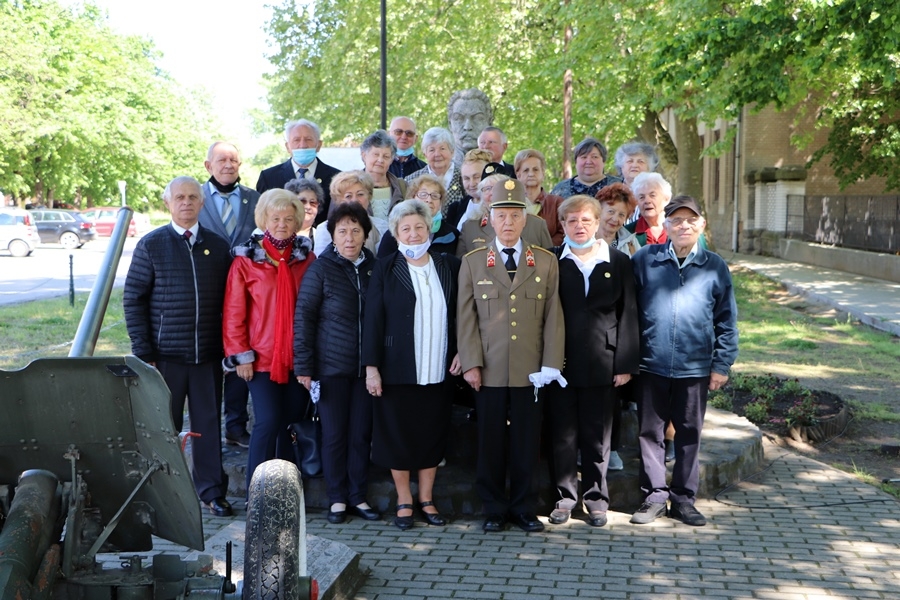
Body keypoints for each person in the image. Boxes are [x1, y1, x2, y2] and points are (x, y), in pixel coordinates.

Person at [457, 178, 565, 533]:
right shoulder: (473, 262)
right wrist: (471, 362)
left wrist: (550, 366)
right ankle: (492, 507)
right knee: (490, 440)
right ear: (490, 217)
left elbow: (553, 318)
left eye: (514, 215)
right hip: (487, 368)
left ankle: (523, 508)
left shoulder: (546, 262)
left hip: (529, 370)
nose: (507, 222)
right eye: (501, 214)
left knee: (526, 442)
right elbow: (466, 318)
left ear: (525, 220)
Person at [123, 176, 233, 516]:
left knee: (208, 426)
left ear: (202, 203)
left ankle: (212, 491)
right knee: (161, 427)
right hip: (164, 358)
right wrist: (144, 353)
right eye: (180, 197)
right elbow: (133, 299)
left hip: (207, 356)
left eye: (193, 197)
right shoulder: (151, 244)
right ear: (168, 203)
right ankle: (158, 495)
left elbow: (231, 303)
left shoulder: (218, 245)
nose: (186, 202)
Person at [630, 196, 738, 527]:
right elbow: (628, 312)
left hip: (695, 367)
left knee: (689, 433)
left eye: (691, 220)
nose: (683, 226)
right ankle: (655, 496)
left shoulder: (714, 266)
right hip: (651, 364)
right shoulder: (646, 260)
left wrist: (721, 364)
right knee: (651, 433)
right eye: (676, 220)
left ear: (701, 224)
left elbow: (726, 320)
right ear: (665, 225)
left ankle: (683, 499)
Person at [363, 199, 461, 530]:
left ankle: (427, 498)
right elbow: (373, 319)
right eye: (406, 228)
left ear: (430, 227)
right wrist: (371, 367)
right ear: (396, 233)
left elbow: (461, 313)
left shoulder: (449, 265)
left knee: (431, 433)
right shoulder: (386, 266)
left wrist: (462, 351)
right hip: (396, 368)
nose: (414, 233)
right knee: (398, 435)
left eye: (420, 226)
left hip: (439, 367)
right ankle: (404, 499)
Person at [546, 195, 639, 527]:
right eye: (571, 220)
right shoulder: (552, 261)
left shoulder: (618, 261)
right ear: (562, 225)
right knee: (563, 435)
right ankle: (564, 497)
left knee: (598, 436)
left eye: (586, 220)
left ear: (598, 223)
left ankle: (596, 498)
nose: (579, 226)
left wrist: (626, 364)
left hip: (605, 360)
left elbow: (629, 314)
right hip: (561, 363)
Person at [222, 189, 316, 491]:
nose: (282, 224)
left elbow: (315, 309)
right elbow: (234, 312)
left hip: (297, 357)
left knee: (289, 422)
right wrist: (241, 355)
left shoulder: (307, 258)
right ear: (264, 219)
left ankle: (285, 489)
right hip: (260, 359)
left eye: (289, 218)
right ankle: (256, 491)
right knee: (268, 420)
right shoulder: (245, 260)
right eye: (275, 218)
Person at [294, 202, 380, 524]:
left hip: (365, 371)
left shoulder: (373, 266)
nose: (349, 237)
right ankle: (337, 498)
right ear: (332, 234)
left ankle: (358, 496)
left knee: (360, 435)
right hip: (330, 368)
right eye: (342, 230)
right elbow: (304, 317)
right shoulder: (321, 268)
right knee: (334, 435)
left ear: (365, 234)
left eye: (356, 230)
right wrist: (304, 366)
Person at [198, 141, 261, 449]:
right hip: (207, 293)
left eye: (233, 160)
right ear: (208, 165)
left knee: (241, 357)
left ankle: (235, 425)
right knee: (210, 363)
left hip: (246, 295)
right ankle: (208, 427)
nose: (228, 164)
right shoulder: (193, 197)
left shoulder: (255, 199)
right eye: (221, 160)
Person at [256, 119, 341, 225]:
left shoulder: (336, 178)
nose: (302, 145)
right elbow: (262, 216)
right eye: (296, 140)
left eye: (308, 139)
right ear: (288, 147)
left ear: (318, 145)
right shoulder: (268, 177)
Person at [456, 174, 552, 256]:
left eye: (497, 188)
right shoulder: (469, 227)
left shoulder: (537, 225)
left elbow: (549, 262)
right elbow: (463, 268)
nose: (492, 194)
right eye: (487, 189)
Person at [378, 175, 459, 257]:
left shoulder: (452, 234)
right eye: (423, 194)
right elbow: (382, 265)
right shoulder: (395, 232)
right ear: (412, 198)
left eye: (434, 196)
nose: (429, 200)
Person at [313, 171, 388, 256]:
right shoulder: (324, 229)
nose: (355, 200)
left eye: (360, 194)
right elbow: (321, 264)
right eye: (348, 196)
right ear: (338, 200)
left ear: (369, 196)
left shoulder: (383, 226)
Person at [515, 149, 564, 246]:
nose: (531, 174)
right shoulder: (512, 203)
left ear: (543, 174)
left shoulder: (556, 203)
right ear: (518, 175)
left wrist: (544, 250)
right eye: (526, 170)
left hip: (549, 257)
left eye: (535, 169)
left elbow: (563, 232)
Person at [405, 127, 464, 206]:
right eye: (431, 150)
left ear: (452, 151)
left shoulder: (464, 176)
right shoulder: (412, 180)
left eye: (442, 149)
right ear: (425, 154)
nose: (437, 154)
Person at [550, 137, 623, 199]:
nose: (589, 161)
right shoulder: (560, 189)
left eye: (594, 157)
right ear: (576, 161)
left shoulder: (620, 186)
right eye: (584, 157)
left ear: (603, 161)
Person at [618, 172, 672, 254]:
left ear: (666, 199)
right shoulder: (627, 233)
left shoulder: (677, 227)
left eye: (652, 195)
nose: (647, 201)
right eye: (641, 197)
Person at [361, 129, 407, 220]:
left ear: (391, 160)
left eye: (386, 156)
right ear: (364, 156)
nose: (380, 160)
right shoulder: (349, 186)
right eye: (376, 154)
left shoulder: (403, 187)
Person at [446, 148, 493, 231]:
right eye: (466, 178)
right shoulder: (455, 208)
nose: (472, 183)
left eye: (476, 177)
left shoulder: (498, 206)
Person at [447, 88, 492, 167]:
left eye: (477, 118)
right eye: (459, 118)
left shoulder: (504, 170)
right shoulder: (437, 172)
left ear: (489, 123)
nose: (467, 127)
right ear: (450, 124)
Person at [595, 183, 639, 255]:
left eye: (621, 215)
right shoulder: (585, 238)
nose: (615, 219)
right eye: (611, 212)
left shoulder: (630, 241)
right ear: (599, 210)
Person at [284, 178, 322, 248]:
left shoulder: (322, 237)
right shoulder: (278, 233)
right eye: (302, 201)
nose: (308, 207)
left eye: (312, 202)